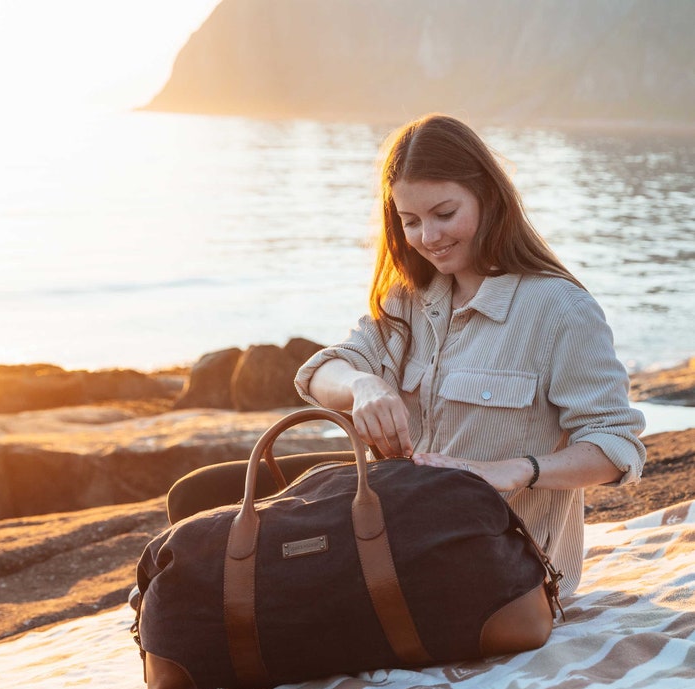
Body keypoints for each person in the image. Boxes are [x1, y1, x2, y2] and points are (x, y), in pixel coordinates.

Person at [167, 113, 645, 598]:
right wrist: (363, 385)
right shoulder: (410, 297)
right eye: (410, 221)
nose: (429, 238)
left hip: (491, 554)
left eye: (444, 213)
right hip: (397, 518)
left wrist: (517, 469)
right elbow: (319, 374)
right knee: (200, 497)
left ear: (489, 197)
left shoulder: (560, 309)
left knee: (279, 581)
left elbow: (615, 445)